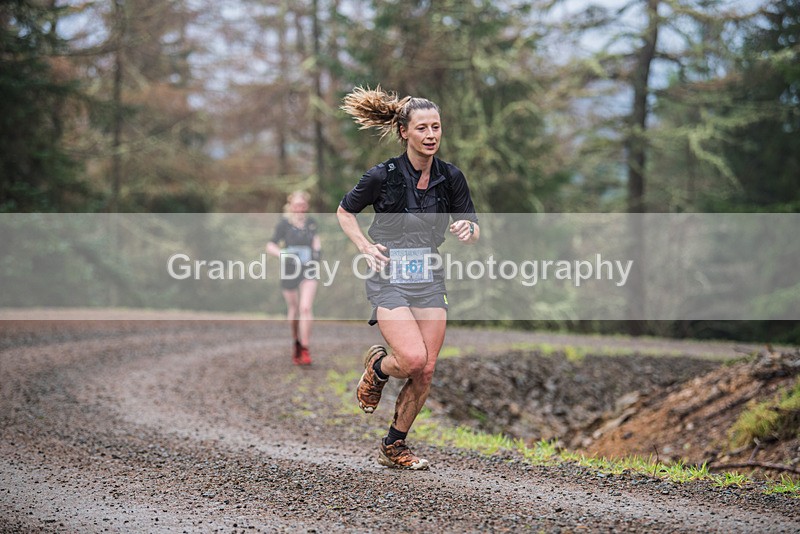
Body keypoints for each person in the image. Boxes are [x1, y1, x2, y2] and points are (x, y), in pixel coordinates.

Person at [337, 86, 480, 469]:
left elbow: (471, 224)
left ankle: (394, 445)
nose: (431, 135)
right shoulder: (381, 175)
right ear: (404, 132)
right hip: (388, 276)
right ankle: (378, 368)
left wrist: (467, 229)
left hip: (429, 276)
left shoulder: (451, 177)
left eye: (436, 127)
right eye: (422, 128)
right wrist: (364, 246)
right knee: (413, 359)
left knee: (426, 369)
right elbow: (344, 211)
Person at [267, 190, 321, 366]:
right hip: (290, 269)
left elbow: (316, 241)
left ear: (307, 206)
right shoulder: (284, 224)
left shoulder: (311, 223)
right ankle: (296, 342)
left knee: (306, 307)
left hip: (308, 268)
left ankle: (305, 348)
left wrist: (317, 253)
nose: (300, 208)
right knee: (294, 308)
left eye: (303, 205)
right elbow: (270, 245)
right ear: (290, 206)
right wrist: (283, 254)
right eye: (297, 205)